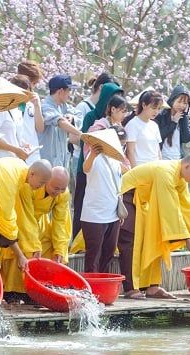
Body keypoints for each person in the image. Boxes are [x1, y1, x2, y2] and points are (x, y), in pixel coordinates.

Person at [118, 155, 190, 300]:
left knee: (154, 238)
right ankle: (130, 288)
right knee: (130, 239)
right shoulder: (166, 172)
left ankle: (152, 287)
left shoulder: (180, 179)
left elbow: (187, 206)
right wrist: (187, 238)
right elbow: (170, 208)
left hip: (143, 202)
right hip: (126, 195)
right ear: (187, 167)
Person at [0, 158, 52, 274]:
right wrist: (20, 252)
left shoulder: (21, 170)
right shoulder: (12, 178)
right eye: (42, 183)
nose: (42, 186)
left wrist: (31, 245)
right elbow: (4, 213)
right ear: (32, 173)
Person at [2, 166, 71, 301]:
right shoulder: (29, 187)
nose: (59, 192)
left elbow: (61, 222)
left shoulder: (63, 193)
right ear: (45, 181)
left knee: (50, 247)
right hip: (21, 219)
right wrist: (33, 245)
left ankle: (39, 288)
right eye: (55, 188)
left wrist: (60, 250)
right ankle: (13, 291)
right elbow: (26, 217)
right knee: (23, 248)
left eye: (62, 189)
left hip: (40, 223)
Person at [72, 80, 123, 239]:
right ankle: (77, 240)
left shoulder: (117, 123)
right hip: (87, 167)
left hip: (108, 172)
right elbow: (84, 140)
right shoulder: (92, 116)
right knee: (82, 207)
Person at [80, 127, 128, 273]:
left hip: (112, 214)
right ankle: (92, 287)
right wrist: (93, 155)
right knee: (93, 254)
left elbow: (119, 186)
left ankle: (103, 284)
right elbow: (85, 169)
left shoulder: (117, 162)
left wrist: (120, 211)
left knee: (108, 252)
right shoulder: (94, 158)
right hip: (94, 215)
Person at [39, 74, 82, 169]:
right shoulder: (44, 106)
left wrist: (72, 117)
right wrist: (80, 134)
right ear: (60, 91)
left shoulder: (63, 106)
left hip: (61, 161)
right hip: (46, 163)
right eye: (69, 91)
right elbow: (60, 122)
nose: (70, 94)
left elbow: (79, 114)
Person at [0, 75, 31, 161]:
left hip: (14, 160)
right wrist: (15, 149)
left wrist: (23, 144)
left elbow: (13, 135)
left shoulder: (18, 109)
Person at [124, 90, 164, 167]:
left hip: (155, 168)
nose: (156, 111)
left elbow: (158, 150)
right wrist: (135, 172)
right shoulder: (132, 124)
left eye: (159, 109)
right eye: (153, 108)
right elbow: (130, 152)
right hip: (140, 168)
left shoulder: (154, 125)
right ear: (144, 105)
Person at [154, 85, 190, 160]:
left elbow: (187, 138)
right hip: (162, 157)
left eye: (185, 103)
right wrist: (173, 122)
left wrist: (185, 116)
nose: (181, 105)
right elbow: (159, 135)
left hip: (178, 158)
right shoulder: (161, 116)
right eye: (179, 101)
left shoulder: (184, 119)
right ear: (172, 100)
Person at [16, 60, 44, 165]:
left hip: (32, 153)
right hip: (15, 152)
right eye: (33, 83)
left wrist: (37, 106)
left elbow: (40, 128)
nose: (33, 86)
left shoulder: (34, 100)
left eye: (35, 83)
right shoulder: (9, 98)